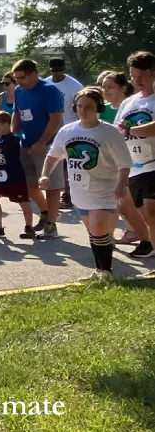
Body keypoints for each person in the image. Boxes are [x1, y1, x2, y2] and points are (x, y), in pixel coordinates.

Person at [41, 87, 132, 278]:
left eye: (88, 106)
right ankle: (99, 270)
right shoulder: (67, 131)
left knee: (98, 229)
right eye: (80, 106)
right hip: (79, 191)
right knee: (94, 232)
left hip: (105, 190)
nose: (83, 110)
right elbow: (53, 156)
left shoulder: (109, 132)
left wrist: (122, 184)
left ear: (98, 107)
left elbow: (124, 163)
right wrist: (45, 175)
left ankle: (106, 271)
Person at [11, 58, 65, 239]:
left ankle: (51, 225)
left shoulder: (49, 90)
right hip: (26, 143)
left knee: (51, 186)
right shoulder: (19, 90)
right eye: (16, 78)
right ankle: (45, 212)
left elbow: (56, 119)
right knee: (29, 185)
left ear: (34, 73)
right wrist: (13, 130)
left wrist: (41, 143)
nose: (18, 82)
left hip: (48, 146)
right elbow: (17, 113)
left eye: (22, 77)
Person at [100, 71, 147, 246]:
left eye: (110, 87)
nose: (105, 90)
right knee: (121, 203)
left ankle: (142, 235)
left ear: (123, 88)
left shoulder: (134, 106)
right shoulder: (102, 109)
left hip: (138, 161)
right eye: (103, 87)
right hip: (113, 161)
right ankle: (117, 234)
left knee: (131, 204)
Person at [116, 50, 155, 259]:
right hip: (136, 165)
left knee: (152, 210)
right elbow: (118, 130)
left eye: (143, 76)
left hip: (154, 164)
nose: (137, 80)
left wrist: (132, 130)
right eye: (133, 76)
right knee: (145, 214)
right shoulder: (128, 102)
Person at [0, 111, 36, 238]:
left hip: (14, 176)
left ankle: (29, 227)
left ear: (6, 125)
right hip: (1, 175)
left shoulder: (12, 139)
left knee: (23, 201)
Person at [47, 58, 85, 210]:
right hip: (52, 129)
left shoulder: (74, 86)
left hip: (70, 128)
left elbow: (79, 109)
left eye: (60, 70)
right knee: (54, 162)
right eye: (54, 70)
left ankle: (69, 195)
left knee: (68, 165)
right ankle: (56, 193)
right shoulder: (47, 83)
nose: (57, 73)